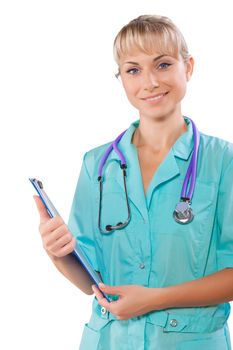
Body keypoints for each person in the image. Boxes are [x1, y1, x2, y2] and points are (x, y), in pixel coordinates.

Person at [33, 14, 233, 350]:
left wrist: (153, 299)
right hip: (109, 341)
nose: (150, 82)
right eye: (133, 70)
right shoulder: (97, 164)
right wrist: (58, 253)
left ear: (190, 67)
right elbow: (90, 281)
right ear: (121, 78)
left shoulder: (223, 161)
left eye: (163, 64)